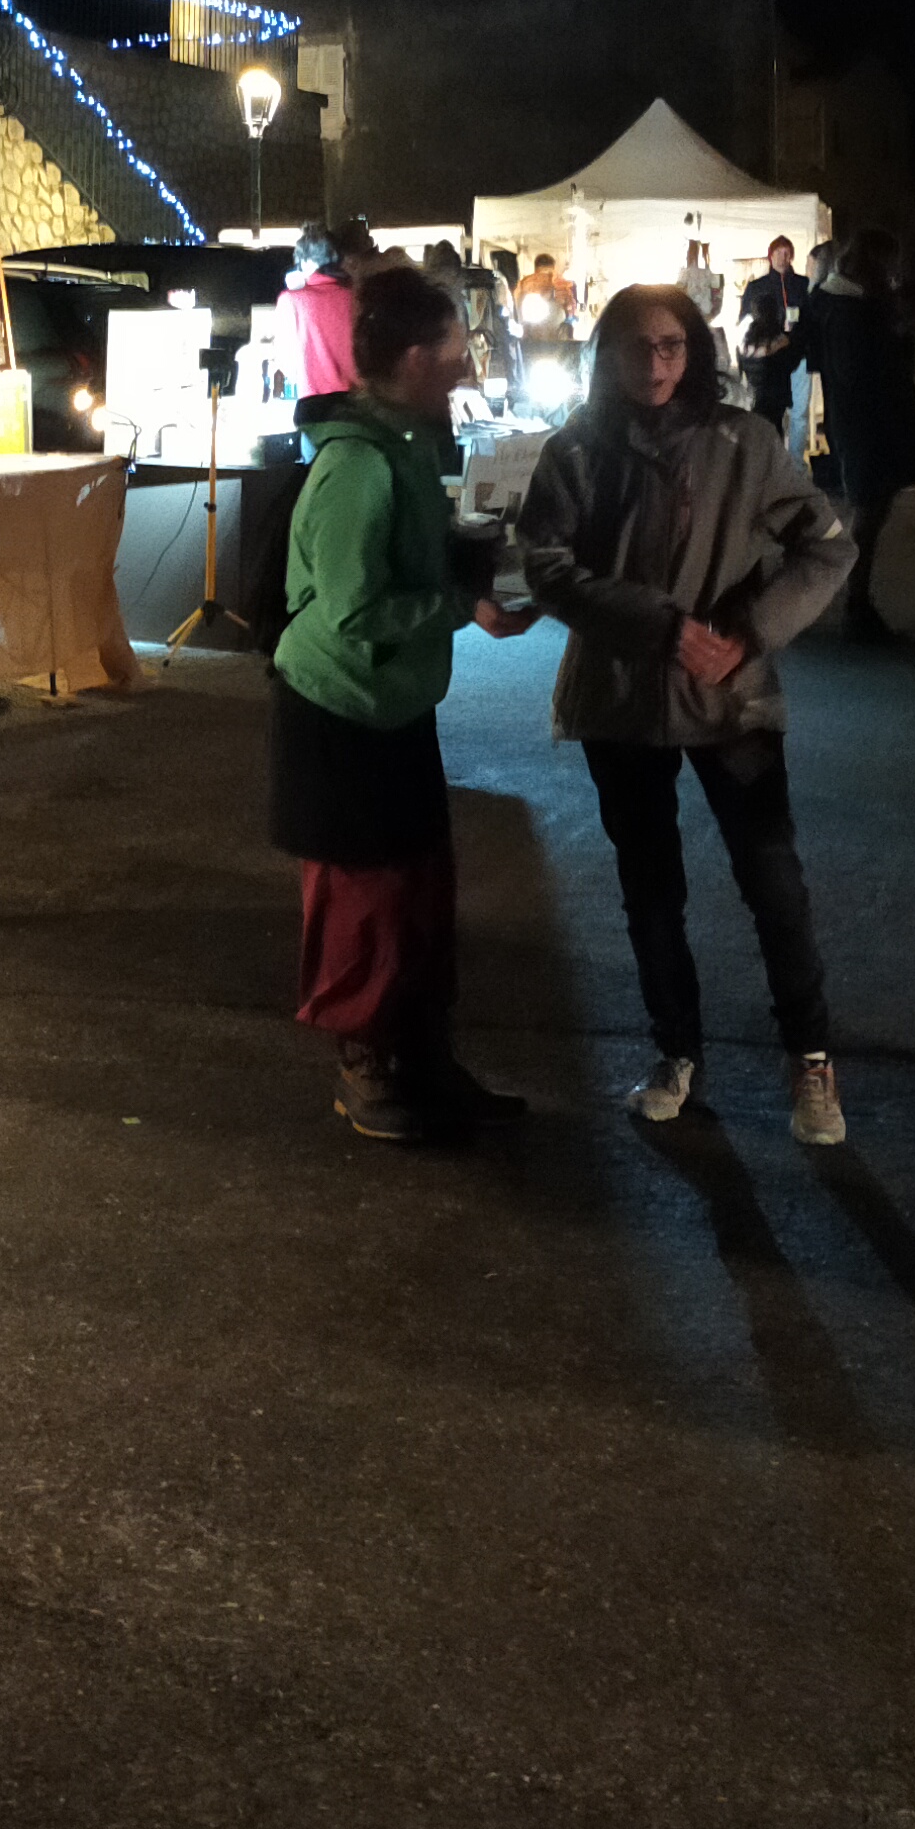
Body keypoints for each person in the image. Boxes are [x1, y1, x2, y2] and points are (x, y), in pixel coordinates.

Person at [516, 284, 858, 1146]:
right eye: (638, 346)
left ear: (696, 350)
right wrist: (659, 627)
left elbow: (826, 545)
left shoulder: (742, 443)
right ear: (608, 353)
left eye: (672, 346)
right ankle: (676, 1052)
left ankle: (810, 1058)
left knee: (772, 881)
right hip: (622, 700)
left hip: (729, 700)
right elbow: (546, 565)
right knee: (650, 888)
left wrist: (747, 635)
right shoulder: (577, 450)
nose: (657, 363)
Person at [271, 263, 537, 1143]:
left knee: (419, 887)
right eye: (459, 345)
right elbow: (352, 611)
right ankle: (366, 1065)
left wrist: (467, 552)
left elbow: (401, 564)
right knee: (364, 898)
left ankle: (422, 1056)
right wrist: (464, 605)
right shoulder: (358, 469)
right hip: (343, 712)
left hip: (392, 702)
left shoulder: (404, 447)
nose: (469, 361)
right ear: (418, 355)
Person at [798, 222, 915, 641]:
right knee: (866, 512)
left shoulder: (836, 301)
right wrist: (899, 332)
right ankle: (854, 608)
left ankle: (854, 605)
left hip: (857, 419)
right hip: (867, 422)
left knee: (866, 511)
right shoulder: (849, 307)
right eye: (889, 261)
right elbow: (856, 368)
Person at [737, 236, 813, 448]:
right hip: (770, 359)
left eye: (787, 253)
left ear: (792, 256)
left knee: (799, 412)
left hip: (800, 356)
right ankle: (773, 463)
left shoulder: (802, 284)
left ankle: (796, 464)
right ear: (770, 256)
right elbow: (744, 320)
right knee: (771, 414)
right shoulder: (756, 287)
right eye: (778, 253)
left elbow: (810, 319)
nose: (783, 257)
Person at [280, 223, 360, 398]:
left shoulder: (291, 300)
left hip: (314, 404)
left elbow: (286, 365)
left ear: (306, 262)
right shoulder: (357, 296)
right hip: (360, 403)